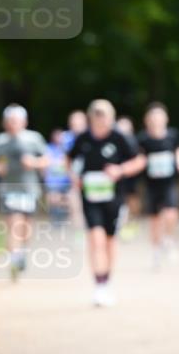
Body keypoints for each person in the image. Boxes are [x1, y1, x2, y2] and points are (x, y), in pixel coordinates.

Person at [67, 99, 145, 306]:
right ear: (91, 118)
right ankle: (99, 284)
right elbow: (69, 159)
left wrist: (120, 170)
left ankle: (107, 280)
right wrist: (73, 177)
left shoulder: (120, 138)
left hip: (114, 197)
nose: (101, 121)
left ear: (111, 118)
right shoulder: (83, 139)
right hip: (90, 197)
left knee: (110, 241)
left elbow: (139, 160)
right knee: (96, 238)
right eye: (97, 117)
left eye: (105, 117)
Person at [0, 105, 48, 280]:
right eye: (10, 121)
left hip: (29, 189)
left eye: (16, 121)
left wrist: (33, 163)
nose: (13, 124)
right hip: (8, 189)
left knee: (26, 227)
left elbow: (46, 160)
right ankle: (14, 259)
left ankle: (21, 252)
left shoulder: (34, 139)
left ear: (24, 121)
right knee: (14, 223)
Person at [136, 103, 179, 267]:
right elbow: (138, 157)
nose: (156, 121)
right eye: (153, 118)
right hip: (151, 185)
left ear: (165, 119)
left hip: (169, 183)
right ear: (147, 120)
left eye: (159, 117)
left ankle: (169, 239)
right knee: (154, 220)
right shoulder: (143, 139)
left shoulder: (173, 136)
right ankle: (155, 250)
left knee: (171, 213)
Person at [115, 115, 142, 240]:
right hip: (116, 178)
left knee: (132, 199)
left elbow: (139, 160)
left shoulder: (134, 142)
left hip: (130, 177)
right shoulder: (113, 141)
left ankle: (132, 222)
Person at [45, 129, 72, 225]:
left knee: (66, 200)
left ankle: (65, 220)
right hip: (52, 181)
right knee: (53, 200)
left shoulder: (67, 149)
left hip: (66, 180)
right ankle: (55, 220)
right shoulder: (48, 148)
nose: (59, 139)